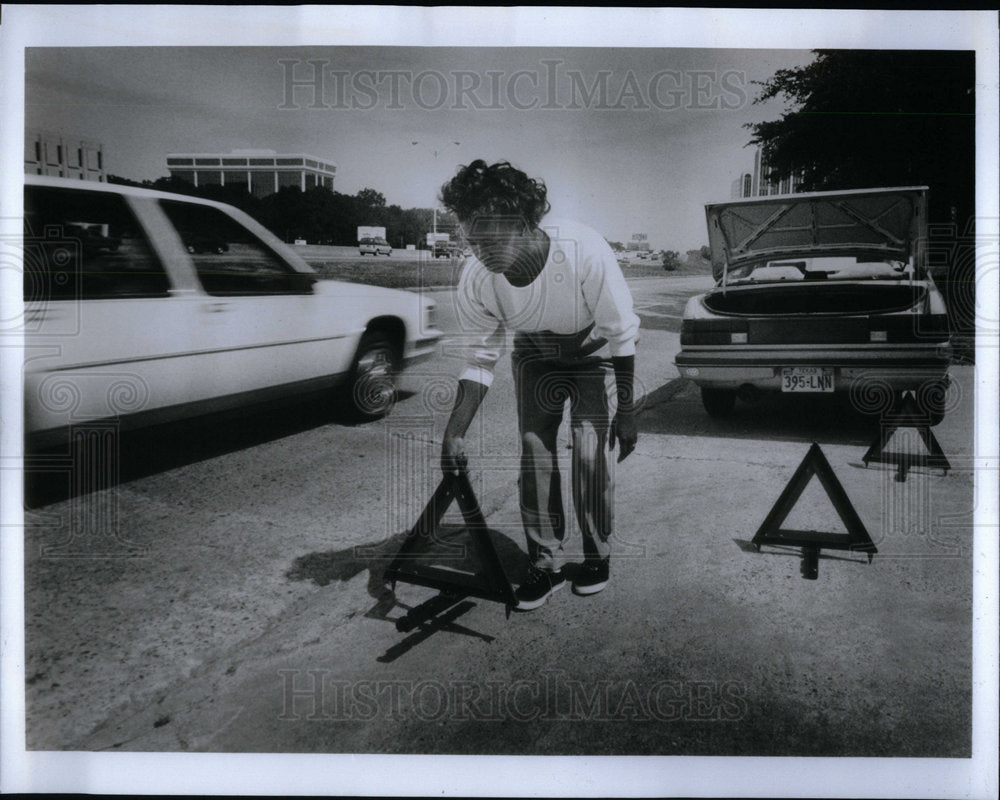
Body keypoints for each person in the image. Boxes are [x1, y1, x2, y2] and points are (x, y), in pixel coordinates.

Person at [439, 160, 640, 611]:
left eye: (493, 240)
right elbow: (478, 358)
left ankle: (596, 557)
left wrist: (626, 413)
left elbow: (622, 333)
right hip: (534, 352)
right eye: (473, 241)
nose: (482, 252)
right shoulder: (476, 279)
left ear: (527, 223)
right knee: (535, 450)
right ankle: (544, 564)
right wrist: (455, 431)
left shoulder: (583, 248)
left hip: (593, 350)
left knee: (590, 453)